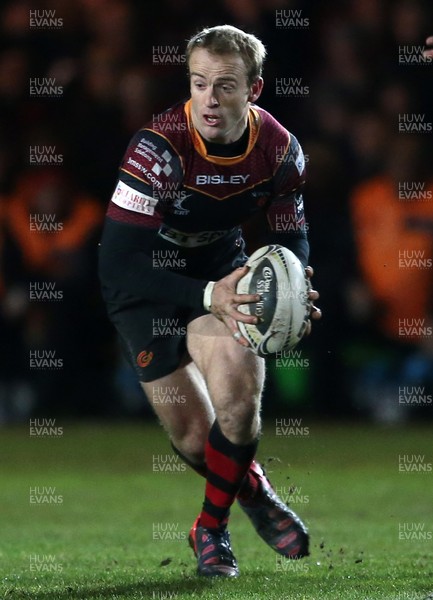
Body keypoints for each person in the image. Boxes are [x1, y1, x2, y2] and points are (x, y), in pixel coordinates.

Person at [99, 25, 320, 578]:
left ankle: (211, 529)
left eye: (225, 86)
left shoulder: (280, 149)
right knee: (196, 439)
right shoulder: (158, 148)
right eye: (199, 84)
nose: (210, 100)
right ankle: (253, 487)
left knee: (239, 405)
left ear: (255, 90)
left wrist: (293, 284)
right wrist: (205, 296)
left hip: (222, 266)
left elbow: (289, 234)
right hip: (147, 283)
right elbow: (117, 263)